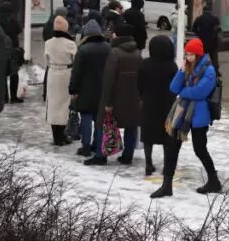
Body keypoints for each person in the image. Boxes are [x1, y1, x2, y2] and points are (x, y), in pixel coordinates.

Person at [150, 38, 219, 198]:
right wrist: (181, 71)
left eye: (191, 55)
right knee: (172, 147)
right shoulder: (187, 67)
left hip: (199, 115)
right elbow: (173, 87)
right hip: (182, 113)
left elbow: (200, 92)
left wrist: (184, 92)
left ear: (198, 54)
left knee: (200, 149)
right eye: (186, 54)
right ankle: (166, 185)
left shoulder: (209, 70)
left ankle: (213, 180)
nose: (188, 57)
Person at [87, 23, 142, 165]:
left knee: (102, 123)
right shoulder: (137, 53)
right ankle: (127, 155)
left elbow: (109, 80)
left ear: (116, 35)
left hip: (115, 98)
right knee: (131, 125)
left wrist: (108, 102)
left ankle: (100, 155)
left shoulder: (114, 53)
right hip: (133, 98)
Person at [69, 20, 112, 158]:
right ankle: (97, 145)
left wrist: (73, 90)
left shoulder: (82, 50)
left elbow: (76, 73)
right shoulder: (108, 48)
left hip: (85, 91)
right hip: (102, 90)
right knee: (99, 120)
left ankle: (85, 146)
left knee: (86, 118)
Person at [139, 36, 178, 178]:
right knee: (167, 136)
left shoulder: (145, 64)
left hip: (149, 103)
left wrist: (142, 96)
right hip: (167, 103)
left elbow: (139, 84)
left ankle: (148, 164)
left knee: (148, 135)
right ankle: (167, 166)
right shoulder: (171, 65)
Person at [44, 15, 78, 147]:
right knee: (64, 104)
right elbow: (76, 60)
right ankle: (62, 135)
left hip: (52, 73)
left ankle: (55, 135)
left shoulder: (48, 43)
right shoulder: (70, 44)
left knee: (53, 104)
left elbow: (46, 60)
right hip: (66, 74)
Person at [0, 1, 24, 104]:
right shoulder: (13, 21)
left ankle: (4, 97)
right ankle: (13, 97)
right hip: (13, 50)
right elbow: (19, 30)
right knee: (14, 73)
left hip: (1, 50)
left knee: (2, 74)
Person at [191, 5, 222, 72]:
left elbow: (193, 29)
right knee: (214, 58)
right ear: (210, 11)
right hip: (213, 42)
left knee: (201, 57)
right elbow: (218, 29)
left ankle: (200, 70)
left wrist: (199, 34)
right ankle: (216, 71)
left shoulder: (199, 18)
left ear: (203, 11)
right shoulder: (215, 19)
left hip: (202, 42)